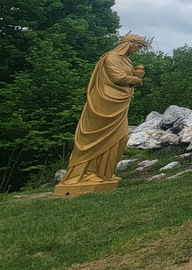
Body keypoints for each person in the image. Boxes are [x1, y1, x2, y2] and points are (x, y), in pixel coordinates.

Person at [53, 33, 147, 196]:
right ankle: (85, 174)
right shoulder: (111, 57)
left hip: (117, 104)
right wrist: (135, 79)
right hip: (103, 103)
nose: (138, 50)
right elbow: (117, 77)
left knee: (121, 137)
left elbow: (125, 77)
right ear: (129, 43)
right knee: (97, 138)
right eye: (138, 46)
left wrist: (135, 75)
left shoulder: (126, 60)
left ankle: (103, 174)